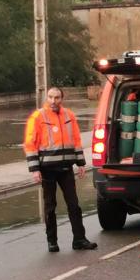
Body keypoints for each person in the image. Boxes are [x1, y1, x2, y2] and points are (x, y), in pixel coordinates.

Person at [23, 87, 98, 252]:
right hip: (47, 168)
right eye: (50, 97)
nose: (53, 101)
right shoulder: (38, 116)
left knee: (74, 205)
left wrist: (80, 164)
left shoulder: (69, 115)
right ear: (46, 97)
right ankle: (52, 241)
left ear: (62, 98)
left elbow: (76, 140)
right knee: (50, 206)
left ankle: (79, 239)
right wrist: (35, 169)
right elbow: (30, 144)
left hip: (66, 168)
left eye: (56, 97)